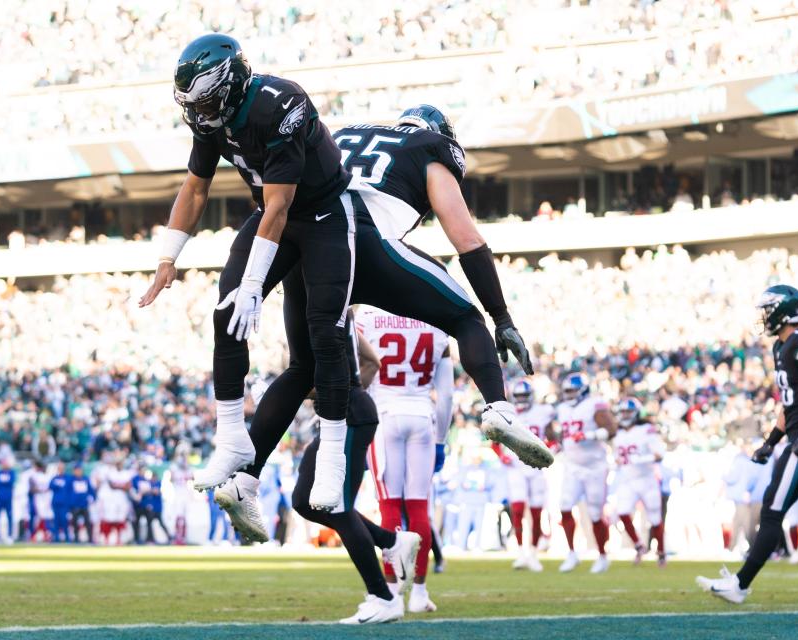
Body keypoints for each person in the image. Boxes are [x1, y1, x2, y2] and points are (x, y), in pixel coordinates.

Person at [213, 104, 551, 534]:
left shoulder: (348, 131)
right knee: (468, 318)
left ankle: (244, 480)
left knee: (303, 368)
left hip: (307, 245)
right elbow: (467, 240)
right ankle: (498, 409)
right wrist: (502, 315)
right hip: (366, 241)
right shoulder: (429, 148)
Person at [138, 33, 360, 512]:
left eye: (208, 100)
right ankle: (233, 439)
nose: (201, 113)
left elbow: (281, 204)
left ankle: (333, 462)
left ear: (232, 84)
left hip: (322, 215)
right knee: (225, 312)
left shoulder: (279, 104)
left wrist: (256, 284)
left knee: (325, 335)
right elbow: (196, 189)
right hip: (274, 212)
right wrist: (167, 259)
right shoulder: (210, 116)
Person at [217, 268, 420, 624]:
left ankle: (382, 596)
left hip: (351, 414)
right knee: (304, 502)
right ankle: (392, 542)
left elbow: (309, 375)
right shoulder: (339, 306)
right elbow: (370, 361)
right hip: (347, 411)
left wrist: (330, 393)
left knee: (338, 507)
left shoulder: (315, 308)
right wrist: (341, 390)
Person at [698, 285, 798, 603]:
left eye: (767, 310)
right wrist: (770, 441)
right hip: (797, 439)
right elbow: (790, 405)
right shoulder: (782, 347)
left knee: (772, 512)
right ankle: (740, 584)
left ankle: (740, 585)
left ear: (782, 311)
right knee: (772, 511)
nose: (763, 317)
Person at [356, 306, 453, 614]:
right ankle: (420, 592)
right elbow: (447, 395)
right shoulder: (436, 320)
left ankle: (392, 593)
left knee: (390, 509)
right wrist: (440, 441)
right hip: (423, 416)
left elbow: (354, 368)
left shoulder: (367, 316)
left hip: (384, 415)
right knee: (418, 508)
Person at [556, 372, 617, 574]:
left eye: (573, 390)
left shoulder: (594, 404)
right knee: (564, 506)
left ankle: (602, 555)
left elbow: (611, 429)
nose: (569, 394)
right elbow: (560, 434)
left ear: (582, 390)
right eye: (567, 391)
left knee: (594, 513)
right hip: (572, 465)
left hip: (595, 467)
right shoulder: (563, 408)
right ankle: (572, 553)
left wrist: (589, 435)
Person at [505, 379, 555, 572]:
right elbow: (492, 436)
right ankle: (520, 552)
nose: (521, 400)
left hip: (536, 467)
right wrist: (501, 455)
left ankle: (533, 553)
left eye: (524, 396)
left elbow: (552, 437)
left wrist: (546, 451)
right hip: (516, 467)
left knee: (536, 511)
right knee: (517, 509)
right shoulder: (506, 411)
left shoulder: (543, 412)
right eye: (518, 396)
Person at [612, 397, 666, 566]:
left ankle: (662, 552)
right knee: (622, 512)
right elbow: (617, 457)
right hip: (628, 480)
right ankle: (638, 545)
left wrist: (642, 459)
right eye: (622, 412)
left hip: (647, 479)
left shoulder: (646, 430)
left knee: (655, 519)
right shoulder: (618, 433)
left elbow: (659, 454)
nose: (625, 415)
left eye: (628, 411)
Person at [0, 456, 16, 543]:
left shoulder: (11, 473)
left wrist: (2, 482)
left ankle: (9, 535)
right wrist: (4, 482)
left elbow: (11, 482)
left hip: (8, 498)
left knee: (9, 517)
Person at [69, 464, 95, 543]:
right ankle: (76, 538)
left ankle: (90, 538)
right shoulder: (71, 480)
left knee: (87, 522)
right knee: (74, 523)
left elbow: (91, 490)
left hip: (84, 505)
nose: (78, 472)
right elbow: (68, 492)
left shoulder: (86, 479)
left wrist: (92, 498)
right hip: (75, 505)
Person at [49, 462, 72, 543]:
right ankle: (56, 537)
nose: (61, 470)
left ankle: (67, 537)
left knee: (64, 520)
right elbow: (50, 486)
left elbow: (70, 490)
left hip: (64, 503)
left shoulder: (68, 478)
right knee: (56, 521)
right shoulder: (55, 478)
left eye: (62, 468)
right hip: (56, 502)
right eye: (59, 468)